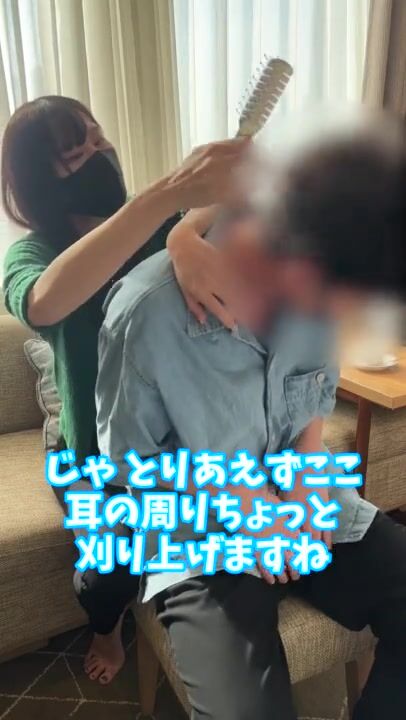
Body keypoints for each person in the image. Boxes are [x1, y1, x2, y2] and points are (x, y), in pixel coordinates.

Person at [96, 133, 406, 719]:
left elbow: (311, 403)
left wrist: (306, 484)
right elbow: (128, 465)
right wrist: (245, 503)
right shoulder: (145, 312)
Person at [1, 95, 248, 683]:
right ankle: (107, 630)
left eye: (98, 135)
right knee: (108, 568)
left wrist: (183, 233)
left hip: (169, 435)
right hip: (89, 449)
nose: (100, 152)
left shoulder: (161, 228)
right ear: (41, 181)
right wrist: (164, 201)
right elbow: (46, 302)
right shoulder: (31, 253)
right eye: (76, 152)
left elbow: (228, 212)